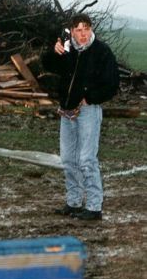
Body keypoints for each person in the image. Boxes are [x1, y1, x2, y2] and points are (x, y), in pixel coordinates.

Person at [41, 13, 120, 221]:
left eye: (86, 28)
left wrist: (90, 98)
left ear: (91, 29)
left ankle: (94, 207)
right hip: (66, 111)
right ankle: (74, 202)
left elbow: (112, 84)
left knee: (86, 160)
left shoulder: (102, 52)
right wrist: (54, 50)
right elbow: (47, 65)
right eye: (78, 29)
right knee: (68, 159)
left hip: (88, 111)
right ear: (72, 32)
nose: (83, 33)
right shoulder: (68, 51)